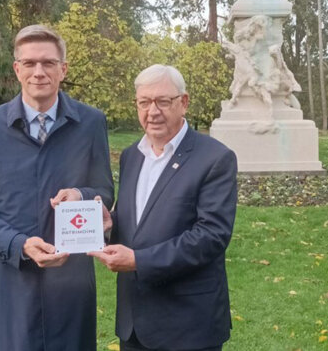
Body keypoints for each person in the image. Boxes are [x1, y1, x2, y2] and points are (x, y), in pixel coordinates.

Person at [0, 24, 114, 351]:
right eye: (29, 63)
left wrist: (82, 195)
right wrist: (19, 245)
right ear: (17, 69)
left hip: (71, 282)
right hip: (9, 280)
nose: (39, 72)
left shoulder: (90, 123)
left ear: (63, 69)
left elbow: (104, 190)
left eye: (48, 63)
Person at [87, 64, 238, 351]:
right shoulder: (132, 156)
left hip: (188, 326)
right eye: (144, 102)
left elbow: (211, 236)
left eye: (163, 101)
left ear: (184, 102)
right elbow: (142, 221)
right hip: (134, 326)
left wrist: (138, 261)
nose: (152, 111)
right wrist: (110, 225)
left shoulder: (215, 158)